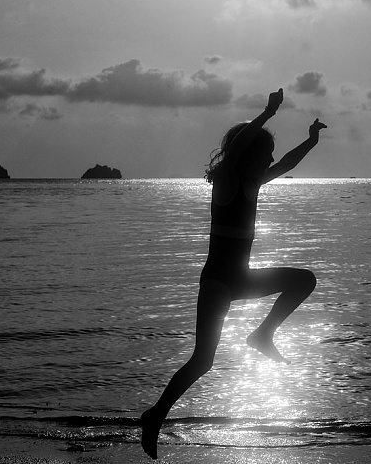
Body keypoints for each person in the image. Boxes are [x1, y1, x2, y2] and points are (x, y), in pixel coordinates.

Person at [140, 88, 327, 459]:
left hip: (241, 277)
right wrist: (267, 113)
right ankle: (155, 415)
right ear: (250, 153)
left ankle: (262, 334)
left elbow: (287, 163)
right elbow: (237, 148)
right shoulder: (228, 182)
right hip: (218, 282)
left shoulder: (254, 184)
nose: (270, 158)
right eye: (265, 151)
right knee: (202, 361)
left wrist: (311, 141)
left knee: (304, 280)